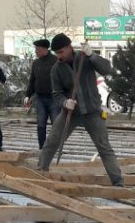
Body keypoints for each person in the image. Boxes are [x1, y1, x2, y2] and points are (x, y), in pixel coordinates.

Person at [37, 33, 123, 186]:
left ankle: (118, 183)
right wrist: (64, 102)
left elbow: (107, 69)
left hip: (93, 112)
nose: (59, 56)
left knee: (104, 147)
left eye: (61, 52)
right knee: (51, 142)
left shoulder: (85, 59)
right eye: (56, 53)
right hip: (71, 113)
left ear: (70, 48)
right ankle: (40, 175)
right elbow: (56, 93)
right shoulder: (56, 69)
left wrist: (92, 56)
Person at [24, 39, 60, 149]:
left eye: (37, 49)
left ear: (44, 49)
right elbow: (32, 80)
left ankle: (54, 148)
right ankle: (42, 148)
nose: (35, 51)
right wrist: (28, 95)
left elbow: (63, 79)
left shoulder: (56, 61)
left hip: (54, 98)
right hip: (39, 98)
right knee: (41, 124)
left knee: (56, 125)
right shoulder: (36, 63)